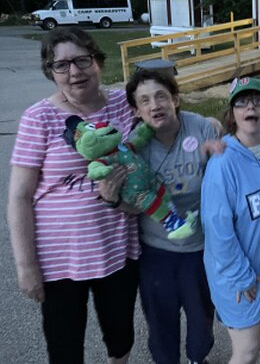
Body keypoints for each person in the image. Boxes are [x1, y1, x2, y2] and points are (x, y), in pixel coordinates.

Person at [7, 26, 139, 364]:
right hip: (59, 259)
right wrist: (26, 266)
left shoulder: (123, 103)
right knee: (64, 347)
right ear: (50, 71)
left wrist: (208, 126)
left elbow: (164, 113)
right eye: (61, 65)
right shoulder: (39, 118)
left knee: (121, 336)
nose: (74, 72)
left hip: (116, 248)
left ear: (98, 61)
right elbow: (19, 197)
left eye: (82, 60)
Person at [123, 68, 223, 364]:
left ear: (175, 99)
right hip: (157, 251)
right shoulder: (133, 147)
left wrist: (219, 147)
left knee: (201, 315)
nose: (155, 105)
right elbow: (130, 202)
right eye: (144, 101)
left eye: (161, 96)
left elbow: (224, 178)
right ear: (136, 110)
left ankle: (197, 358)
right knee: (160, 319)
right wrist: (113, 196)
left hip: (201, 247)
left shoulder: (201, 127)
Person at [201, 77, 260, 364]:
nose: (250, 107)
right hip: (242, 279)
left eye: (257, 101)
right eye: (241, 102)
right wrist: (241, 277)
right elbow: (217, 231)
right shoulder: (223, 163)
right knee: (245, 352)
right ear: (232, 115)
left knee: (256, 340)